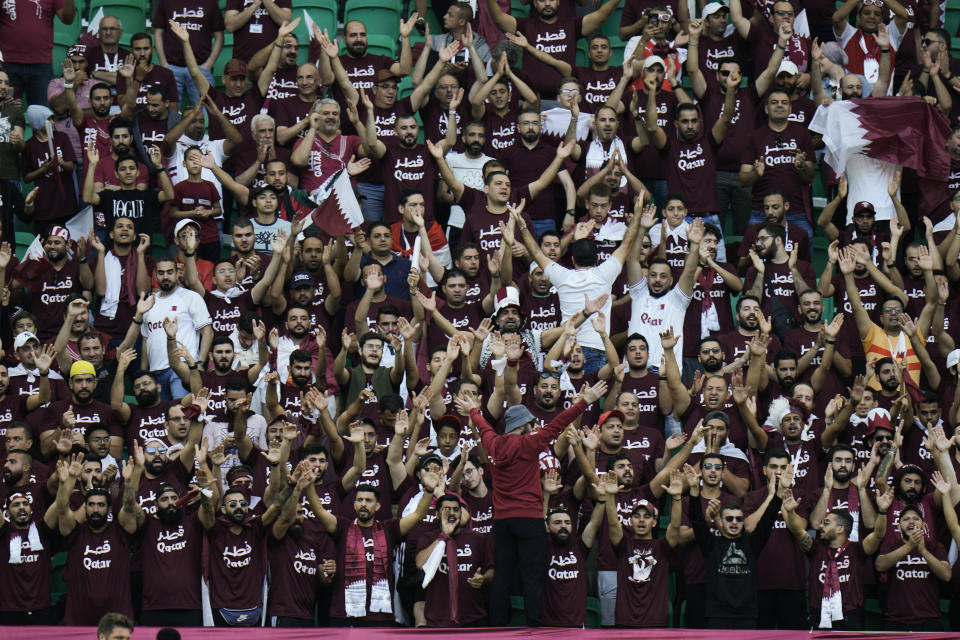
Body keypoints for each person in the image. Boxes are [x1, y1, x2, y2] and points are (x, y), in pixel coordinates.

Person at [454, 378, 608, 626]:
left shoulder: (492, 442)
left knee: (502, 577)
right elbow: (558, 423)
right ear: (525, 425)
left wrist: (473, 410)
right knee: (532, 577)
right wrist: (584, 402)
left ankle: (497, 629)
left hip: (503, 521)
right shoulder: (530, 443)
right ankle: (533, 628)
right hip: (529, 519)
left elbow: (482, 425)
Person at [688, 458, 783, 628]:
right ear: (721, 522)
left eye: (739, 519)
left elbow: (767, 521)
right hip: (718, 615)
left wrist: (778, 494)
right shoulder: (711, 546)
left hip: (747, 615)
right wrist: (694, 492)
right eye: (729, 519)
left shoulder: (752, 545)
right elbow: (696, 521)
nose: (734, 522)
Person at [783, 486, 893, 630]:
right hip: (819, 619)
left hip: (850, 619)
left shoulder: (856, 550)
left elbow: (878, 534)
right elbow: (798, 531)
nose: (821, 526)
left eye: (827, 523)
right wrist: (791, 512)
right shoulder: (816, 549)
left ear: (840, 529)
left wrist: (883, 511)